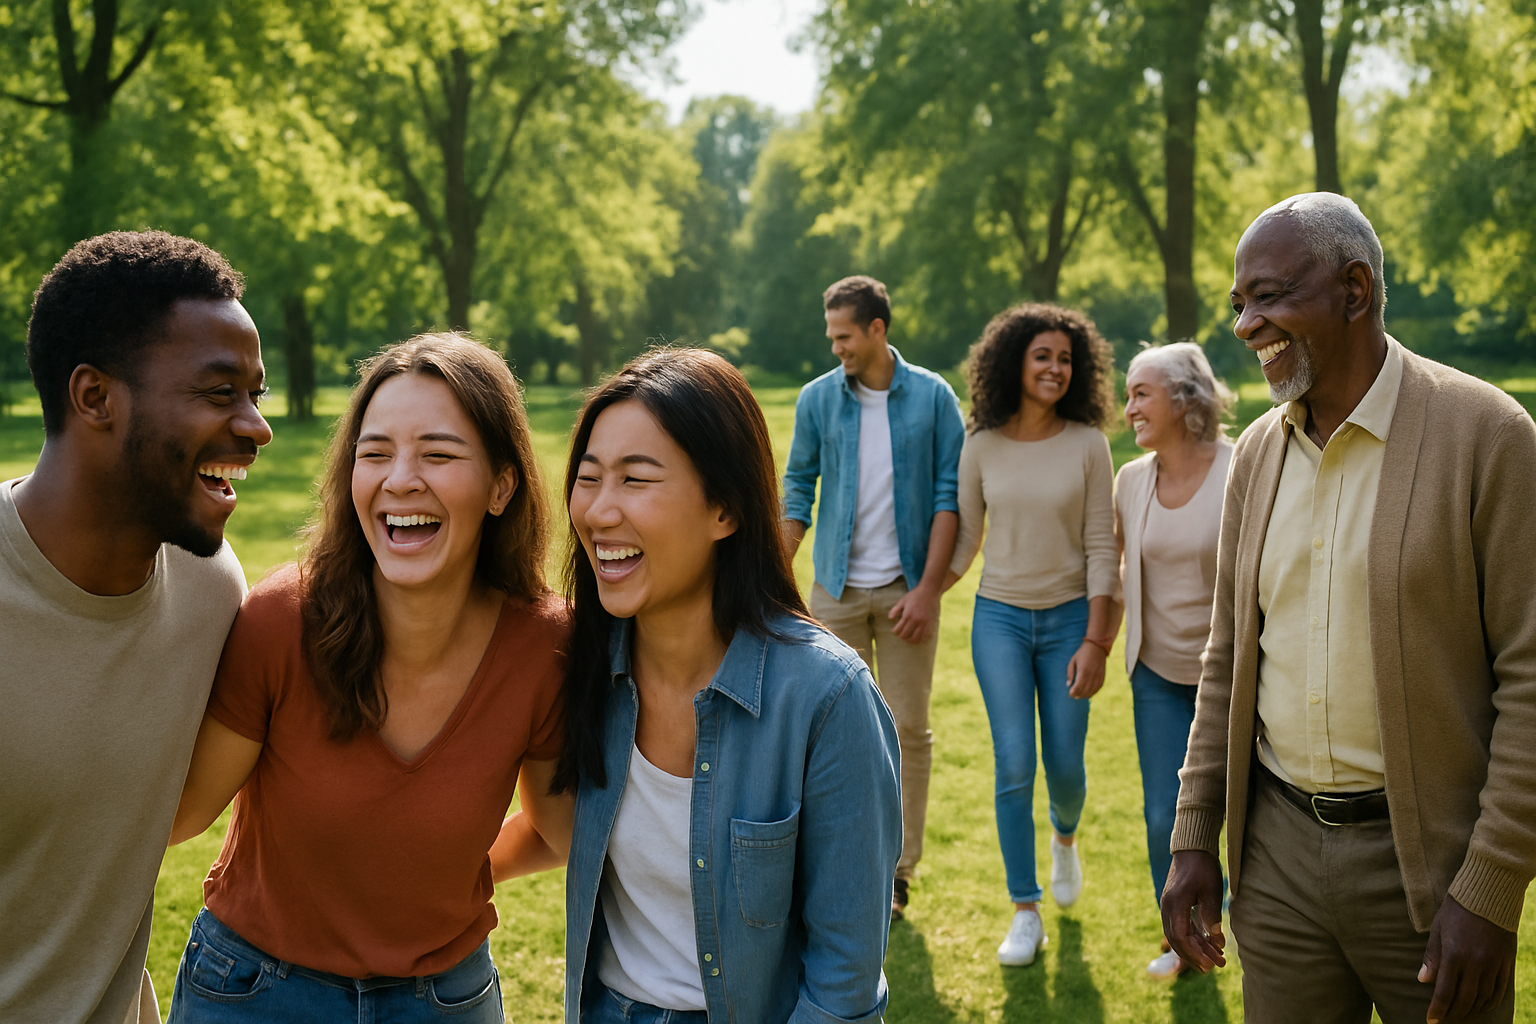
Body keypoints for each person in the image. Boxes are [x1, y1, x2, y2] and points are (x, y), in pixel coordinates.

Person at [1162, 193, 1536, 1024]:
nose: (1245, 325)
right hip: (1280, 866)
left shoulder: (1488, 435)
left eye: (1268, 297)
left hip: (1432, 878)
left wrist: (1491, 888)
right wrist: (1195, 836)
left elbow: (1532, 678)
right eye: (1237, 304)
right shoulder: (1257, 452)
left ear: (1355, 290)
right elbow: (1227, 658)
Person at [165, 334, 571, 1023]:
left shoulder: (546, 647)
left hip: (445, 999)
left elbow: (560, 831)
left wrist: (436, 879)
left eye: (438, 454)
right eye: (375, 453)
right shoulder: (281, 621)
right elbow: (181, 815)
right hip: (252, 993)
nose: (399, 479)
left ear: (502, 485)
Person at [559, 347, 902, 1024]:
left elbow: (845, 978)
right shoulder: (578, 666)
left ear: (726, 510)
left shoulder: (828, 698)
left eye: (636, 479)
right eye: (589, 478)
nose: (599, 512)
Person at [0, 231, 270, 1024]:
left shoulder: (210, 589)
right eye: (221, 392)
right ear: (95, 398)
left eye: (253, 392)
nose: (256, 426)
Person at [781, 274, 965, 920]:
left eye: (844, 336)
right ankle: (835, 867)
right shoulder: (817, 401)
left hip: (906, 594)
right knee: (829, 734)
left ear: (878, 330)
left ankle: (897, 872)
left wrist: (928, 592)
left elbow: (952, 497)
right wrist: (780, 569)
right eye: (832, 336)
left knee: (908, 730)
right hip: (835, 590)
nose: (836, 348)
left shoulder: (936, 398)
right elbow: (798, 485)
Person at [946, 303, 1118, 967]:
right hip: (1001, 620)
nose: (1054, 368)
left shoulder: (1088, 444)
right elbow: (966, 536)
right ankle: (1025, 907)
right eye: (1042, 355)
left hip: (1072, 618)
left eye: (1065, 359)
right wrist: (927, 592)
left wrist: (1097, 639)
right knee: (1015, 761)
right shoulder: (981, 443)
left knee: (1067, 766)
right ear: (1014, 361)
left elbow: (1103, 544)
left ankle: (1065, 836)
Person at [1112, 342, 1235, 981]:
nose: (1127, 406)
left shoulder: (1241, 469)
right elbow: (1113, 569)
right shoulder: (1131, 479)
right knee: (1165, 814)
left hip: (1236, 681)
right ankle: (1185, 941)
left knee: (1247, 815)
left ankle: (1250, 923)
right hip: (1157, 675)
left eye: (1140, 393)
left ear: (1185, 400)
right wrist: (1093, 643)